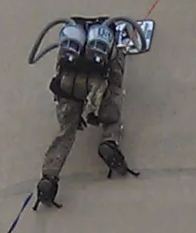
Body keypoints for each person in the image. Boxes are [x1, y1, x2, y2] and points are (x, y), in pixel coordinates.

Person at [34, 16, 144, 208]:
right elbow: (115, 80)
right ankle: (109, 142)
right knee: (112, 117)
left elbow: (59, 72)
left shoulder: (70, 45)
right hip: (96, 88)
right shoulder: (109, 48)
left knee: (66, 133)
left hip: (67, 87)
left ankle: (49, 178)